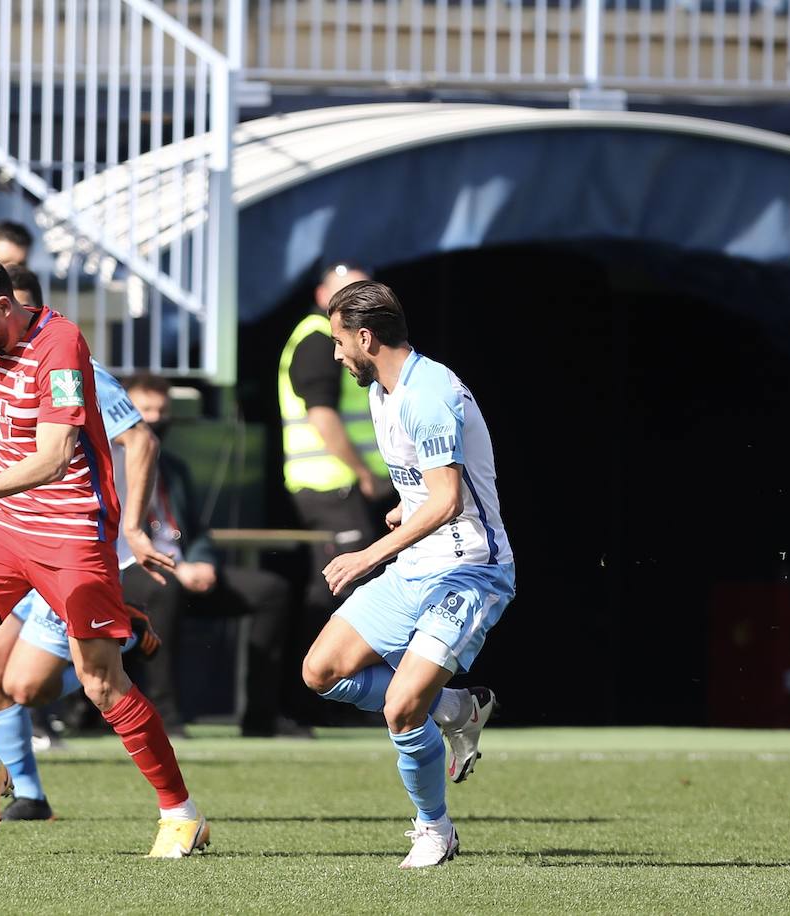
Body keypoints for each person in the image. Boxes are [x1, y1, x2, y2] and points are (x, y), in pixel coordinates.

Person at [0, 254, 208, 857]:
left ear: (5, 308)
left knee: (100, 682)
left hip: (71, 530)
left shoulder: (61, 346)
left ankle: (180, 812)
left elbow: (54, 457)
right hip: (7, 526)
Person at [300, 280, 513, 868]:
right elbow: (427, 488)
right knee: (320, 671)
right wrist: (402, 506)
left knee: (399, 708)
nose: (337, 354)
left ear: (365, 337)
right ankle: (454, 710)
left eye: (339, 341)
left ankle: (434, 830)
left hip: (469, 570)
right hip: (418, 563)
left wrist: (371, 553)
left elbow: (446, 502)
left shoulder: (426, 394)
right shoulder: (385, 389)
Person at [120, 373, 305, 739]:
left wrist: (204, 561)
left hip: (182, 569)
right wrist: (178, 567)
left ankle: (260, 717)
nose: (157, 418)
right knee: (165, 587)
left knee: (270, 590)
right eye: (146, 409)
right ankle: (165, 716)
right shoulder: (108, 464)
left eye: (163, 409)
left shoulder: (173, 466)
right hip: (131, 570)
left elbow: (197, 530)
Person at [278, 263, 393, 618]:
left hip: (350, 485)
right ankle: (326, 672)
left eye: (362, 294)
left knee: (347, 585)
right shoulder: (318, 339)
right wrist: (363, 473)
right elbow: (322, 416)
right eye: (345, 294)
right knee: (343, 590)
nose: (354, 302)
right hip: (332, 486)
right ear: (321, 297)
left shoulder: (351, 339)